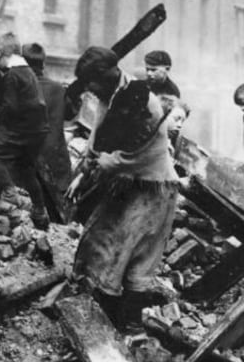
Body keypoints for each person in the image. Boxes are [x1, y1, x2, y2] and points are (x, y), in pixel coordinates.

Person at [69, 46, 187, 332]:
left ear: (106, 76)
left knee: (134, 255)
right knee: (104, 242)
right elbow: (98, 136)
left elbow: (138, 153)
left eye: (91, 83)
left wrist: (101, 166)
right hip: (127, 183)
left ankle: (129, 327)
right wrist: (84, 170)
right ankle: (102, 315)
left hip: (152, 188)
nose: (90, 90)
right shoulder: (109, 95)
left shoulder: (141, 100)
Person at [0, 32, 50, 230]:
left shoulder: (12, 75)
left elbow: (10, 107)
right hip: (38, 130)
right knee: (26, 169)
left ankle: (10, 193)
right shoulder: (28, 71)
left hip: (24, 130)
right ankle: (40, 211)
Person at [22, 42, 73, 216]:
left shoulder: (20, 89)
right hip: (56, 161)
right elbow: (70, 115)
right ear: (43, 64)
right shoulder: (58, 89)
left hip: (29, 163)